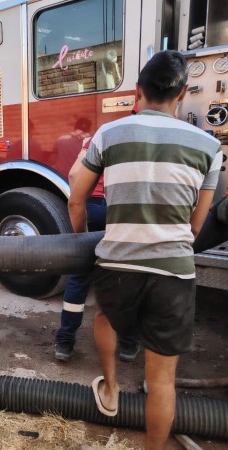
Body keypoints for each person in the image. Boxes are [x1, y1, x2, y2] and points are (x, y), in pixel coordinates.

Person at [68, 50, 222, 450]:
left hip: (117, 262)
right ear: (182, 93)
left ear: (137, 91)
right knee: (162, 380)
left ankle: (111, 389)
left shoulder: (109, 134)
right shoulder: (209, 147)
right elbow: (196, 225)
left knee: (105, 316)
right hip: (173, 271)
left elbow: (76, 198)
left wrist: (81, 241)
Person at [55, 138, 139, 362]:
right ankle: (128, 344)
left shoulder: (96, 138)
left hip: (91, 205)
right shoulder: (135, 137)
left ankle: (65, 342)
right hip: (119, 208)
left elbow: (74, 174)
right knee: (123, 275)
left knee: (79, 276)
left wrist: (81, 234)